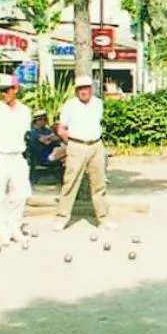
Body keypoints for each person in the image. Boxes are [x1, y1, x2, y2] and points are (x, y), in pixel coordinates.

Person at [0, 75, 33, 249]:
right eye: (1, 90)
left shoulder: (24, 110)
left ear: (15, 89)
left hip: (17, 155)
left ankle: (14, 227)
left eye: (7, 90)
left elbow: (25, 133)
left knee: (21, 193)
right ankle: (0, 232)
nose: (3, 94)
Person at [55, 76, 111, 229]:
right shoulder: (69, 105)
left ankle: (103, 218)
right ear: (76, 90)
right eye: (80, 88)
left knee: (99, 183)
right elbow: (61, 129)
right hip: (76, 145)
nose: (83, 91)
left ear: (91, 89)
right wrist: (72, 143)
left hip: (96, 145)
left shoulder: (98, 104)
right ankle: (62, 217)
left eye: (86, 88)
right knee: (70, 182)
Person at [26, 110, 63, 183]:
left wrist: (49, 137)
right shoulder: (33, 132)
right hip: (43, 157)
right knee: (66, 150)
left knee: (67, 156)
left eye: (45, 119)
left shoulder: (47, 130)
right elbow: (45, 141)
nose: (45, 121)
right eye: (43, 119)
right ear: (37, 120)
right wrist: (51, 137)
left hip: (52, 153)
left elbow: (57, 138)